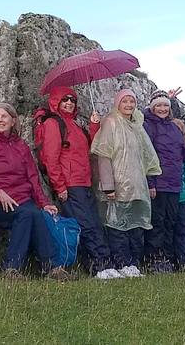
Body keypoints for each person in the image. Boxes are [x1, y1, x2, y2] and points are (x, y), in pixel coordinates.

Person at [0, 103, 70, 281]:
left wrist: (44, 203)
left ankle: (52, 269)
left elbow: (32, 178)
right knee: (27, 214)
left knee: (34, 214)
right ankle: (13, 268)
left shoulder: (20, 145)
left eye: (4, 116)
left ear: (13, 120)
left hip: (21, 200)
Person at [38, 86, 123, 279]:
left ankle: (99, 265)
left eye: (73, 100)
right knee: (88, 225)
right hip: (70, 184)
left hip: (83, 182)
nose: (69, 103)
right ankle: (101, 266)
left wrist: (94, 126)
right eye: (65, 100)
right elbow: (51, 158)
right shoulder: (53, 123)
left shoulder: (75, 125)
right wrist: (60, 186)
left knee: (92, 223)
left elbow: (92, 148)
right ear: (56, 102)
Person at [91, 89, 161, 278]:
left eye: (132, 101)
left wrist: (149, 181)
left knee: (135, 225)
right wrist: (108, 186)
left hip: (136, 185)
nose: (129, 105)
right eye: (125, 101)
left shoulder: (137, 125)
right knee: (118, 226)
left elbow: (144, 156)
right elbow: (103, 155)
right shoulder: (110, 122)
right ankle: (122, 263)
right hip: (118, 185)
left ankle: (133, 264)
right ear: (117, 104)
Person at [142, 89, 185, 273]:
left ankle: (168, 259)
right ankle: (153, 260)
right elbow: (146, 156)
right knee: (157, 223)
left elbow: (182, 156)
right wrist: (150, 183)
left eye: (166, 105)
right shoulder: (148, 126)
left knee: (170, 223)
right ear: (152, 107)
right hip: (158, 183)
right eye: (159, 105)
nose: (163, 108)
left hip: (174, 183)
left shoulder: (174, 127)